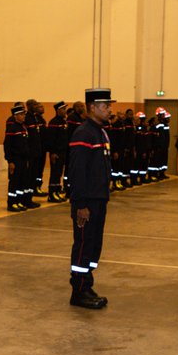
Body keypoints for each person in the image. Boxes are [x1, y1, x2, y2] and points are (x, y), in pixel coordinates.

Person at [67, 89, 113, 309]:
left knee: (94, 245)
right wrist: (80, 204)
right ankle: (78, 291)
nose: (109, 110)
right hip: (87, 202)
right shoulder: (84, 133)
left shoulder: (101, 132)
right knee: (84, 244)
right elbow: (76, 171)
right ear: (92, 108)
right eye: (105, 106)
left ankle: (87, 283)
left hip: (99, 199)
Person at [3, 102, 30, 211]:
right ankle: (11, 203)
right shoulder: (12, 128)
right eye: (22, 114)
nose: (24, 116)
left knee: (21, 182)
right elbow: (7, 145)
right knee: (14, 182)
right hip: (15, 159)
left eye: (24, 114)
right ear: (16, 116)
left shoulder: (23, 127)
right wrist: (10, 161)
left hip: (23, 159)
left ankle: (18, 201)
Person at [44, 101, 69, 202]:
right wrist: (53, 152)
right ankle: (52, 194)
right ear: (58, 110)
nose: (65, 111)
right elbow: (51, 139)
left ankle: (57, 191)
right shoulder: (53, 122)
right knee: (54, 173)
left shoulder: (63, 121)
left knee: (59, 173)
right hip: (56, 152)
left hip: (63, 151)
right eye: (63, 109)